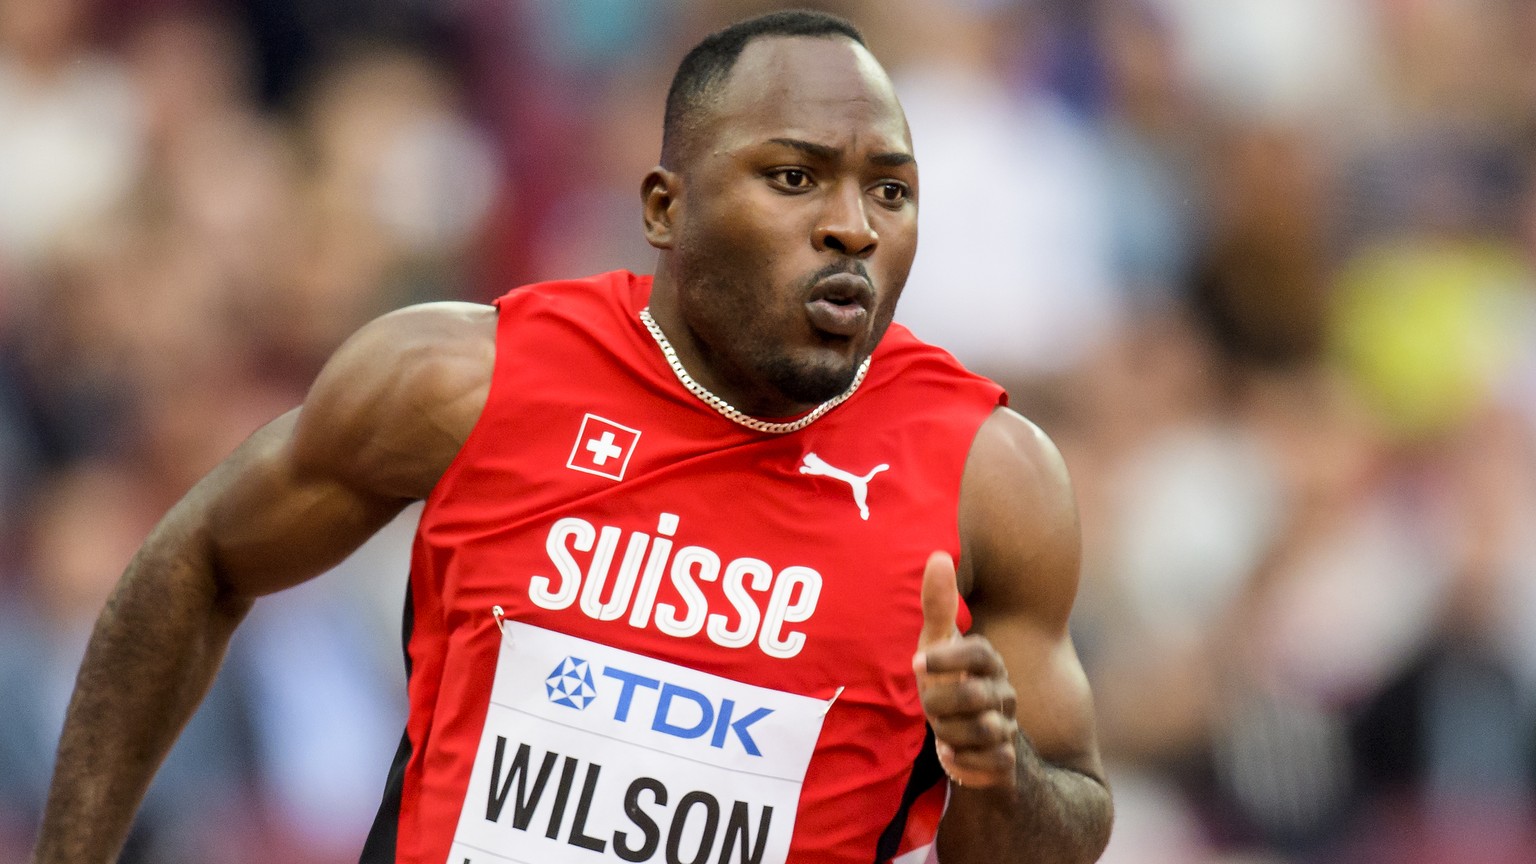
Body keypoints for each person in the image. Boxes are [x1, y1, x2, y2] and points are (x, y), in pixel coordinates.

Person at [30, 10, 1112, 864]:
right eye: (794, 177)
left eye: (891, 190)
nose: (852, 226)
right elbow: (196, 559)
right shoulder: (464, 380)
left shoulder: (990, 479)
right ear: (663, 206)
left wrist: (996, 768)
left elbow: (1056, 833)